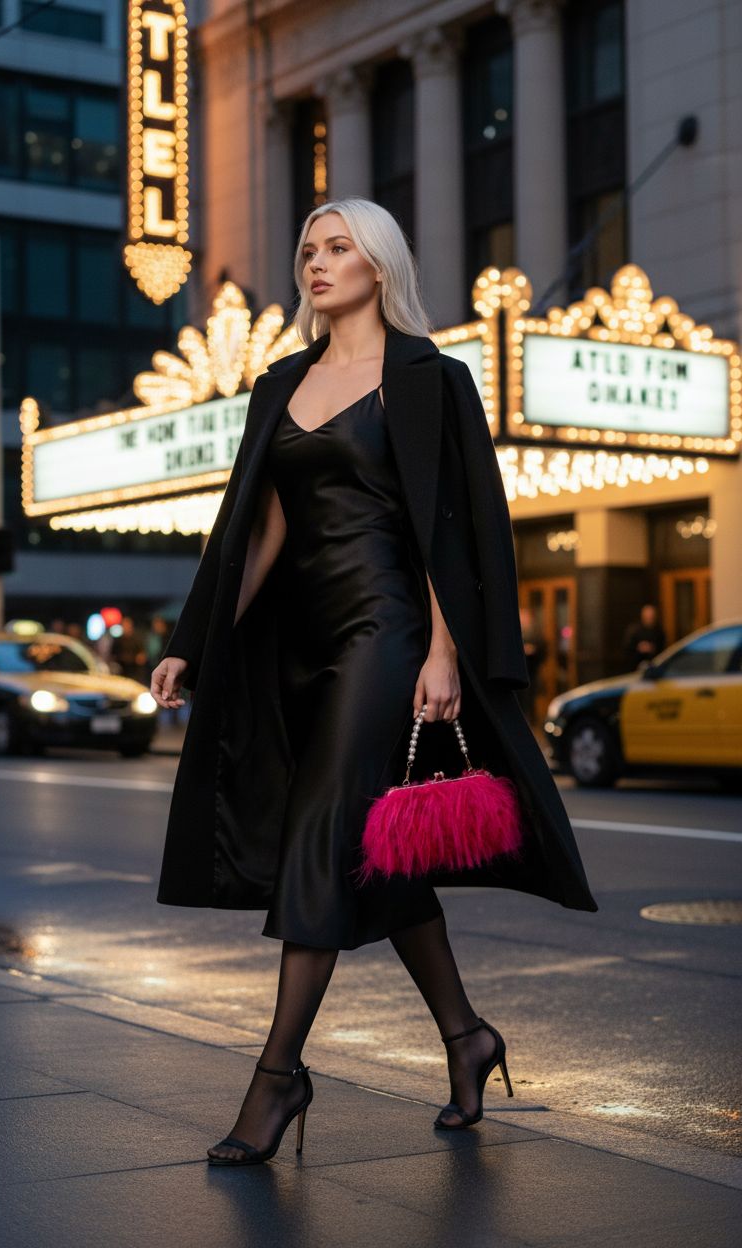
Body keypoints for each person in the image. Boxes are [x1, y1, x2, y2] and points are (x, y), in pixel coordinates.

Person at [151, 197, 597, 1167]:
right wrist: (198, 639)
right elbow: (254, 532)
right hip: (297, 648)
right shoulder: (280, 383)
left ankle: (277, 1077)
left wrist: (445, 651)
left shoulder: (428, 380)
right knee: (378, 858)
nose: (316, 262)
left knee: (320, 837)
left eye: (337, 247)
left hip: (389, 632)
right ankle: (467, 1038)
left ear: (379, 264)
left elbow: (465, 529)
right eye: (307, 249)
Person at [623, 603, 666, 670]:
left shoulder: (659, 631)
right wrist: (639, 648)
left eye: (651, 615)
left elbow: (662, 649)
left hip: (654, 666)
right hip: (634, 666)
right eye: (647, 615)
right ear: (642, 615)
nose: (649, 617)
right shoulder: (634, 630)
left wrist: (652, 648)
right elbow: (627, 649)